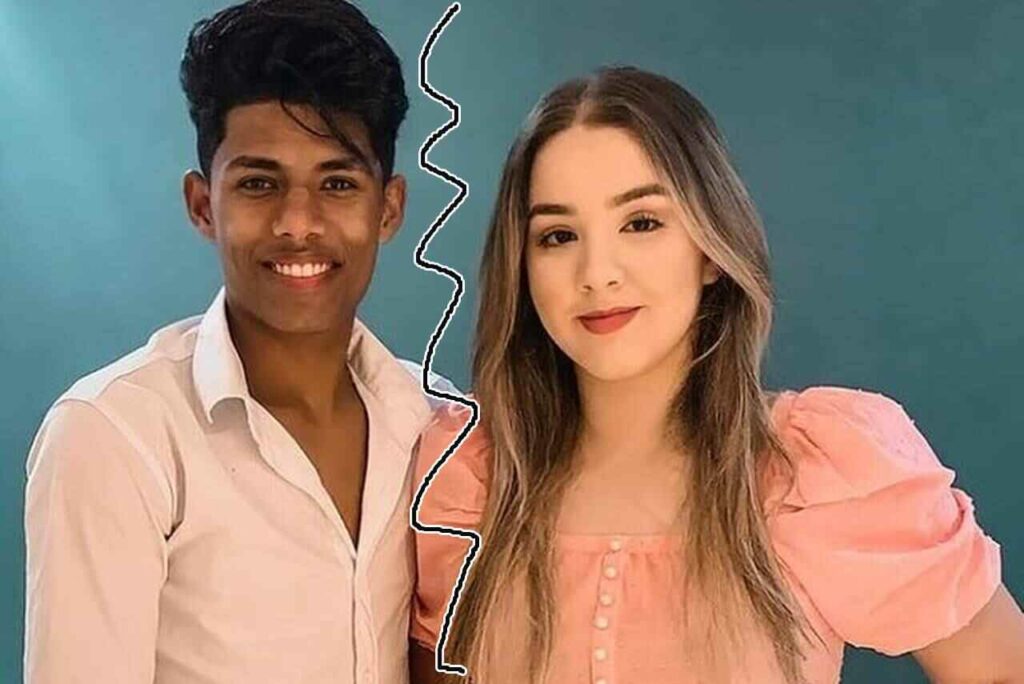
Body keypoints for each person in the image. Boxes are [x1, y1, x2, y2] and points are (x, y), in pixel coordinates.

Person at [408, 66, 1024, 683]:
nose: (597, 273)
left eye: (641, 223)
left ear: (710, 249)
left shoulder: (818, 472)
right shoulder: (468, 476)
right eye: (558, 235)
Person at [23, 1, 457, 682]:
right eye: (258, 184)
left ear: (389, 208)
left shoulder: (439, 424)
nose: (297, 223)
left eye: (338, 183)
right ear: (203, 205)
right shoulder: (116, 436)